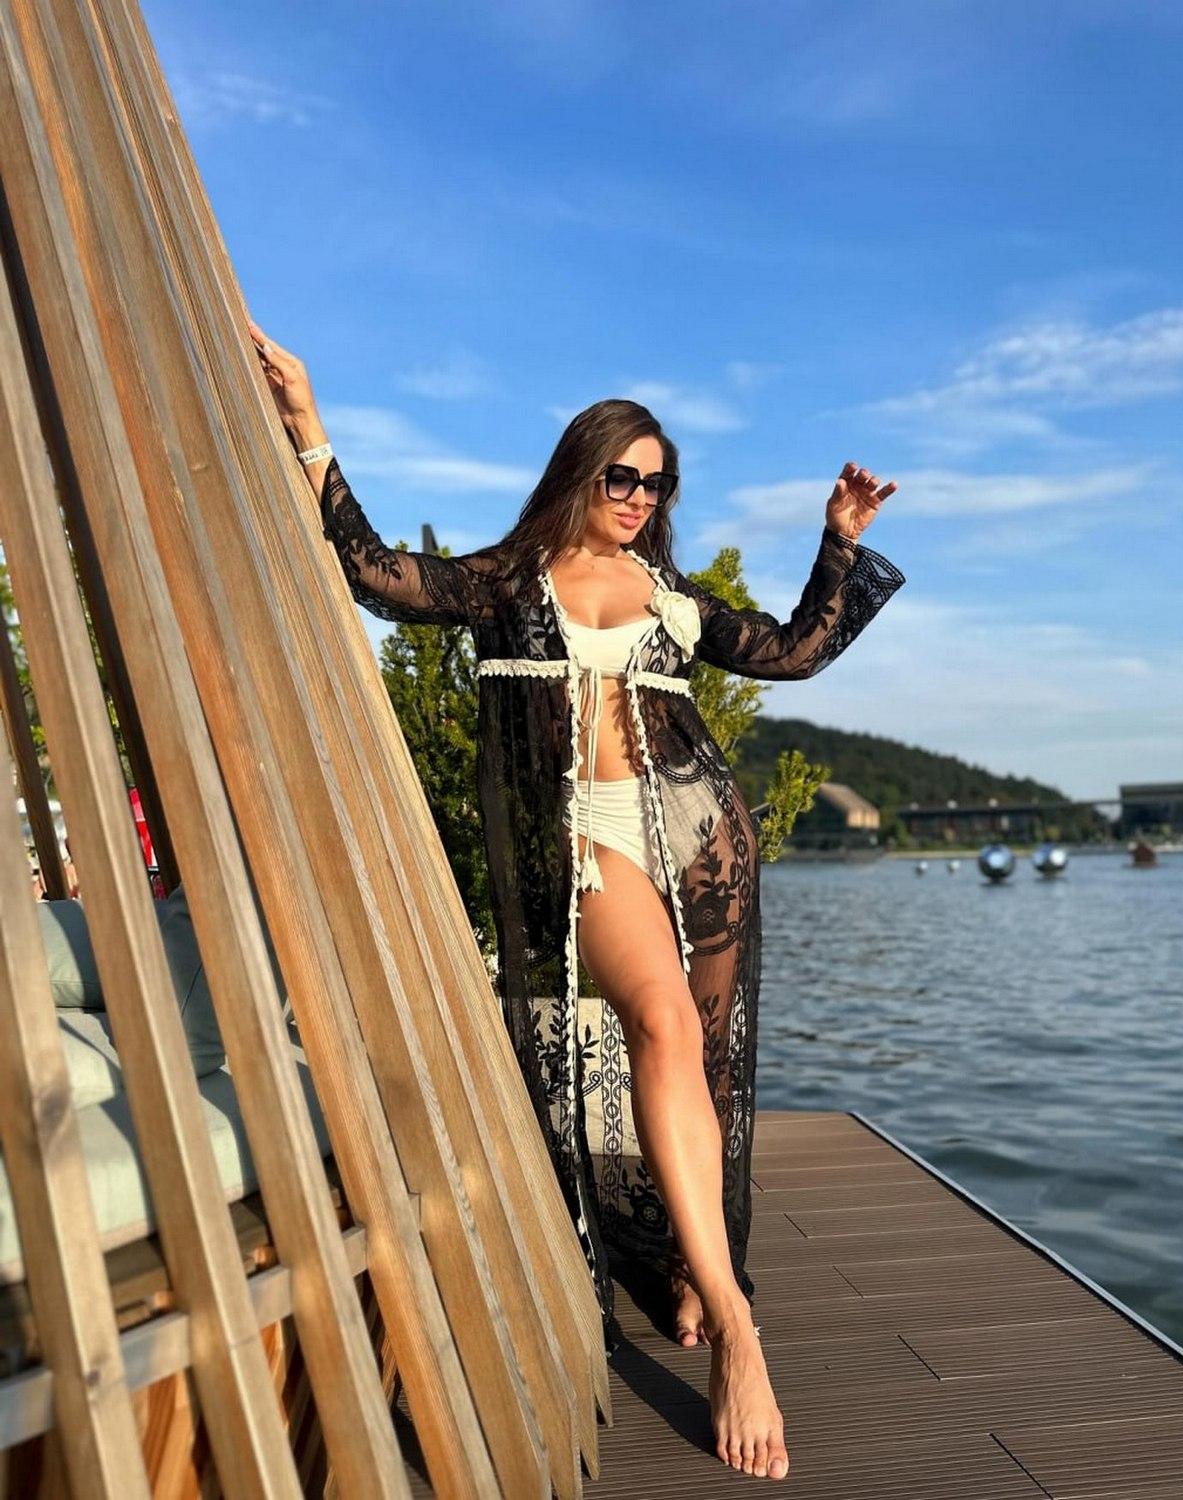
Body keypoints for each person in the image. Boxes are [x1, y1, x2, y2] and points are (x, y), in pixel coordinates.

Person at [248, 314, 905, 1481]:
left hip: (698, 833)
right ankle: (737, 1327)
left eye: (659, 483)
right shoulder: (507, 580)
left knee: (704, 1060)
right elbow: (376, 574)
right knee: (661, 1026)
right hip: (587, 839)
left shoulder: (670, 593)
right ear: (579, 470)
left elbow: (795, 651)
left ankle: (700, 1267)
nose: (641, 497)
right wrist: (308, 426)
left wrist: (837, 542)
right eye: (623, 476)